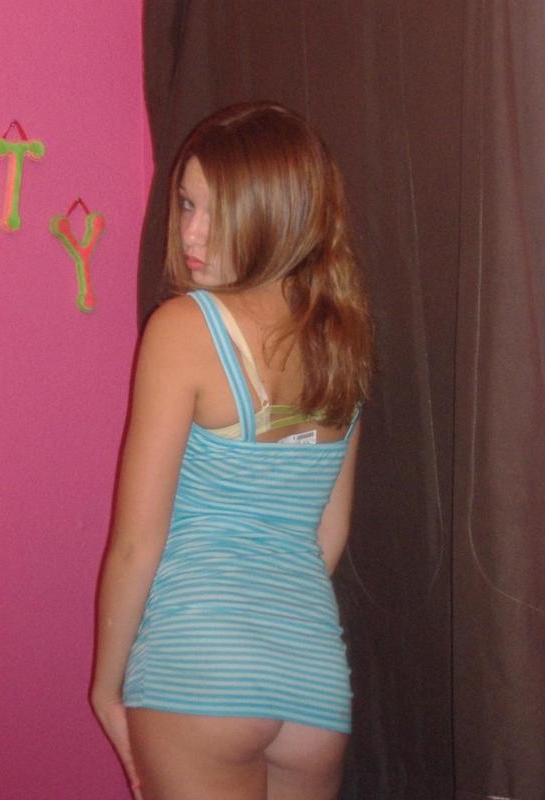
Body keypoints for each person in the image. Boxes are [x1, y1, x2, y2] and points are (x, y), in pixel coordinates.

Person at [91, 102, 372, 800]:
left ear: (276, 215)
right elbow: (327, 535)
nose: (191, 232)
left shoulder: (185, 328)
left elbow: (137, 544)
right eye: (187, 204)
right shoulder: (341, 338)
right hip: (311, 677)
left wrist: (105, 686)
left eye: (219, 212)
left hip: (198, 665)